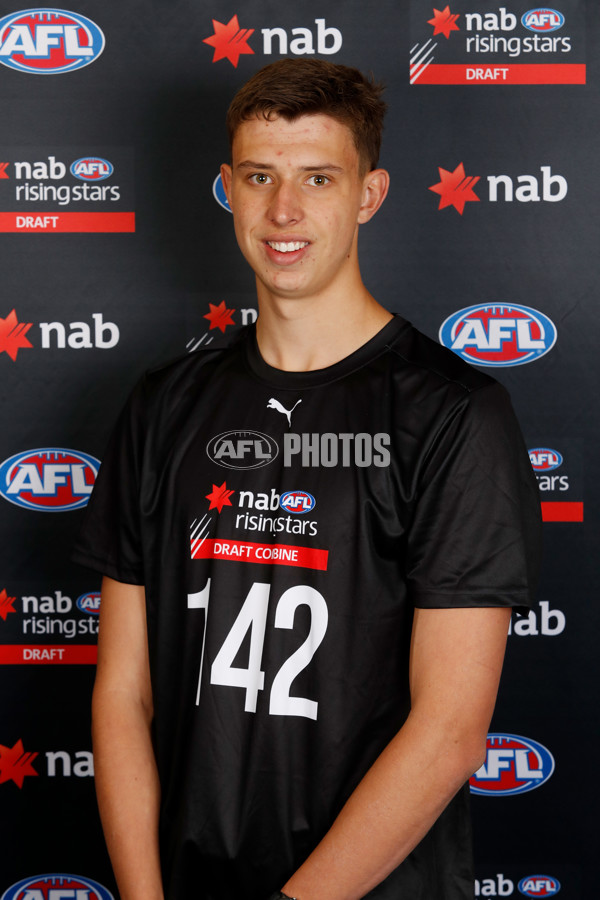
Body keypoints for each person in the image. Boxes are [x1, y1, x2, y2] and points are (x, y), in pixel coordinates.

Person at [73, 58, 542, 900]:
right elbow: (122, 690)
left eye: (318, 178)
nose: (283, 211)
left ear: (369, 194)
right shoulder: (164, 402)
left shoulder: (454, 413)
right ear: (229, 188)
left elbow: (448, 732)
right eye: (260, 176)